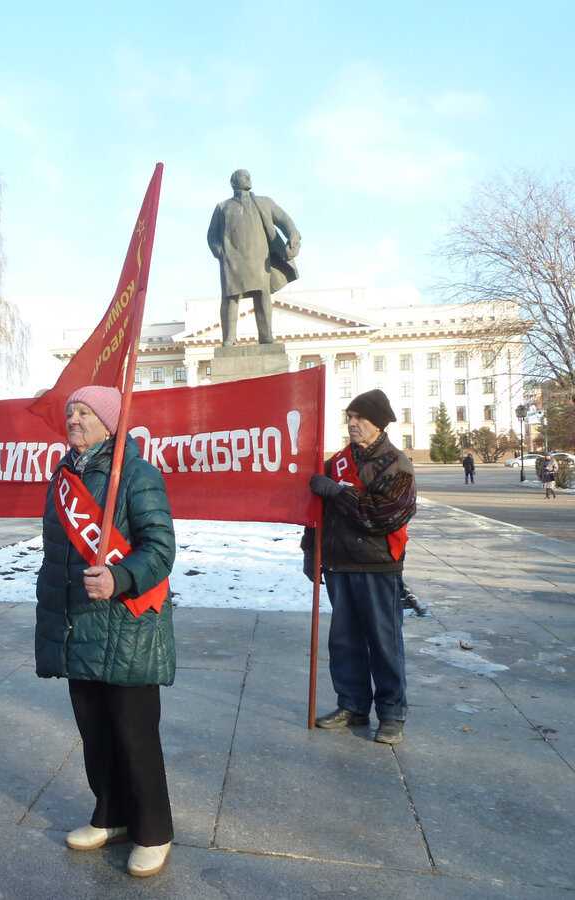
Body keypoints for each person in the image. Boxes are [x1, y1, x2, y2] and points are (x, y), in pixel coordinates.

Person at [35, 385, 177, 878]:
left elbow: (160, 549)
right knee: (94, 733)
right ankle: (111, 815)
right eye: (71, 412)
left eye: (85, 413)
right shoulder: (64, 476)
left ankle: (153, 832)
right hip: (77, 623)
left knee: (135, 736)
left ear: (110, 423)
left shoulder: (137, 474)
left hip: (125, 625)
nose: (74, 419)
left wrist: (120, 576)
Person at [303, 388, 417, 745]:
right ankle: (352, 705)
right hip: (339, 564)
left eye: (359, 418)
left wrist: (338, 492)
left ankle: (392, 714)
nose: (351, 423)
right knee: (345, 642)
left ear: (378, 424)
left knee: (384, 643)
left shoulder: (396, 464)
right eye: (349, 417)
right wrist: (310, 551)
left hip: (377, 565)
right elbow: (314, 514)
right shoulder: (336, 462)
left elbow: (385, 515)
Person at [206, 169, 301, 345]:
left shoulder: (264, 203)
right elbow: (211, 235)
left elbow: (285, 221)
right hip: (232, 261)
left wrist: (293, 237)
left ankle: (266, 337)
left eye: (248, 176)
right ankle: (229, 339)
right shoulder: (222, 207)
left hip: (259, 259)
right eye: (243, 176)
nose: (248, 178)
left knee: (262, 295)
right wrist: (220, 252)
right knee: (230, 298)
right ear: (233, 182)